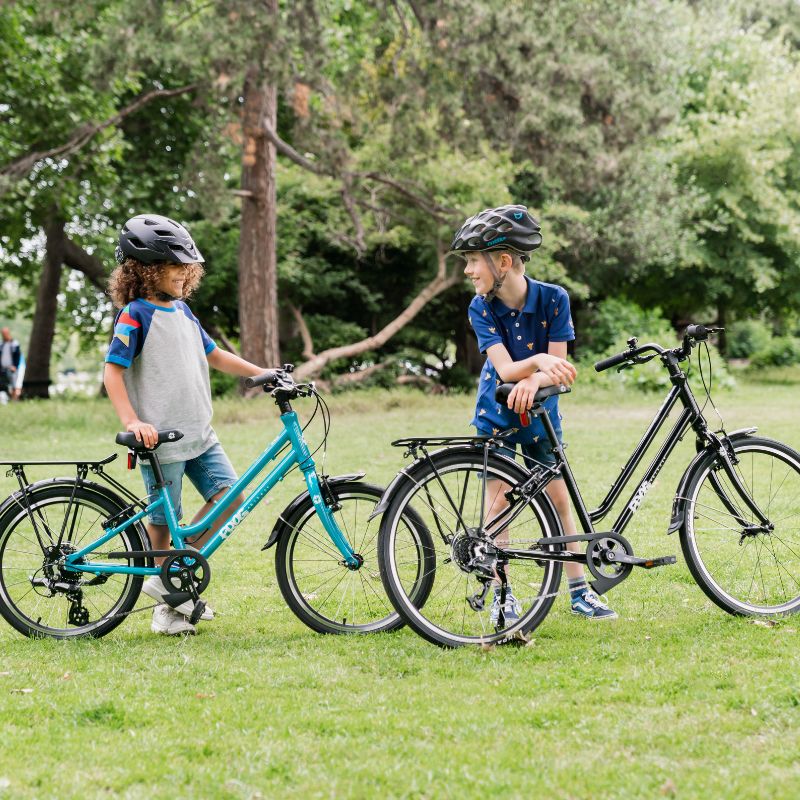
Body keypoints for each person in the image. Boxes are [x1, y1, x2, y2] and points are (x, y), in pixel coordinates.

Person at [104, 214, 268, 636]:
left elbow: (215, 355)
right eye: (174, 266)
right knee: (163, 522)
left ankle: (171, 577)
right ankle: (168, 603)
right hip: (160, 441)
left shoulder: (183, 312)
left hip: (200, 435)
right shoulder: (135, 315)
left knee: (231, 497)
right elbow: (112, 372)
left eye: (186, 267)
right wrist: (132, 420)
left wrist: (262, 373)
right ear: (145, 269)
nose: (183, 274)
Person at [453, 204, 617, 621]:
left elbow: (560, 374)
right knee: (498, 504)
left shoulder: (554, 299)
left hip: (542, 415)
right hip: (496, 415)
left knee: (560, 501)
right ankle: (502, 594)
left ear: (503, 262)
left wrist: (534, 378)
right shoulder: (481, 307)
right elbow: (506, 369)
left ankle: (580, 592)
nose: (469, 271)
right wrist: (538, 363)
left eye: (474, 261)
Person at [0, 328, 22, 403]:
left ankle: (15, 400)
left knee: (14, 384)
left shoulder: (14, 344)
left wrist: (15, 366)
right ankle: (7, 399)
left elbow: (18, 356)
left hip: (12, 368)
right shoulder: (1, 344)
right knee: (3, 385)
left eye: (5, 333)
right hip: (2, 369)